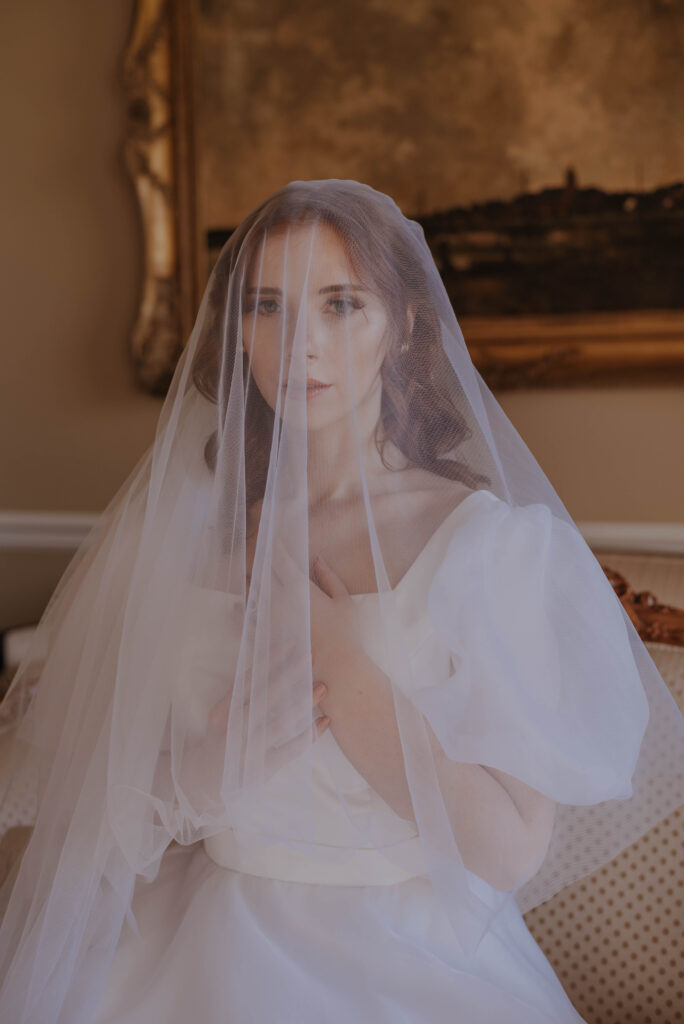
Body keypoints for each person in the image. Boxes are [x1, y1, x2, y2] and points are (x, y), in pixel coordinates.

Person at [0, 179, 682, 1023]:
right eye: (266, 307)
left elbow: (507, 851)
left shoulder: (494, 550)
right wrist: (205, 773)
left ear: (401, 327)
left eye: (340, 304)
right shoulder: (178, 541)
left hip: (408, 957)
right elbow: (91, 806)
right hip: (193, 939)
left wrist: (338, 656)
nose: (298, 345)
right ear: (236, 331)